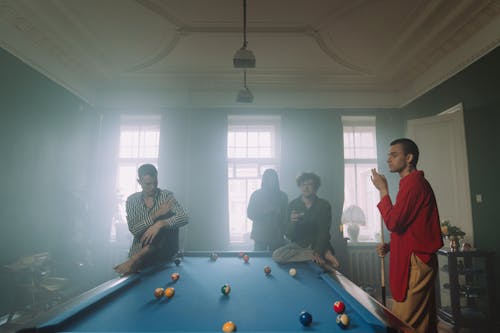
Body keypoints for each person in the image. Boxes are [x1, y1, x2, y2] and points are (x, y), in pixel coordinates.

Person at [371, 138, 443, 333]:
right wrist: (392, 246)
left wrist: (383, 190)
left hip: (416, 263)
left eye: (394, 155)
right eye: (388, 156)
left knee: (404, 324)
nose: (388, 160)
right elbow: (413, 228)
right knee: (424, 323)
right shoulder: (410, 183)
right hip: (417, 259)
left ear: (409, 158)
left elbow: (393, 222)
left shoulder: (413, 184)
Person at [114, 164, 188, 275]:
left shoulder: (166, 196)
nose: (153, 187)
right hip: (139, 260)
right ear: (139, 182)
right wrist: (156, 215)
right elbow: (134, 229)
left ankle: (135, 259)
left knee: (165, 222)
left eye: (155, 182)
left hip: (164, 258)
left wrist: (160, 224)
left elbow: (184, 217)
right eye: (148, 184)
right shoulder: (132, 201)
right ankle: (134, 259)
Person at [272, 172, 340, 269]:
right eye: (303, 184)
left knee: (321, 250)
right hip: (299, 246)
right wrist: (292, 222)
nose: (306, 188)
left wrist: (318, 251)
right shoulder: (293, 205)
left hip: (318, 244)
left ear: (316, 187)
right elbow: (288, 235)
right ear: (299, 186)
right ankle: (321, 255)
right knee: (277, 255)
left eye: (310, 184)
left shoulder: (324, 205)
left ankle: (322, 252)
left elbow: (324, 232)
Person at [247, 169, 288, 251]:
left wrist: (279, 212)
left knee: (277, 260)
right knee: (258, 261)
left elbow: (286, 217)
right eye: (268, 179)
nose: (271, 181)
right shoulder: (256, 195)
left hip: (277, 236)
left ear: (276, 180)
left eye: (273, 179)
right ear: (264, 180)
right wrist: (265, 211)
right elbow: (250, 214)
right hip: (260, 236)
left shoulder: (283, 196)